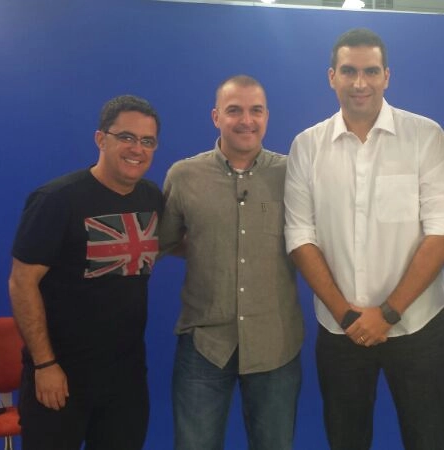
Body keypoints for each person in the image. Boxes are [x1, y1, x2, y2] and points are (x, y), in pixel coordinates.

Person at [284, 28, 444, 450]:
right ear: (332, 76)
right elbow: (299, 237)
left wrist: (389, 313)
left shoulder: (426, 137)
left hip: (418, 326)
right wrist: (348, 316)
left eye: (370, 71)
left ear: (387, 76)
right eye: (349, 71)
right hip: (339, 328)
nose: (359, 82)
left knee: (429, 440)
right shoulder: (306, 147)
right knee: (346, 440)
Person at [8, 95, 164, 450]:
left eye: (147, 141)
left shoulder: (152, 198)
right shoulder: (57, 200)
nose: (136, 149)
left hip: (125, 379)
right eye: (126, 137)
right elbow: (21, 282)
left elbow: (178, 244)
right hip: (60, 376)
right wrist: (44, 364)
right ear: (101, 139)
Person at [159, 75, 304, 450]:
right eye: (234, 110)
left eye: (255, 111)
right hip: (205, 343)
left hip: (275, 342)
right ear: (215, 116)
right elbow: (168, 241)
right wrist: (214, 249)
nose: (246, 121)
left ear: (267, 116)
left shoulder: (293, 174)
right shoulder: (184, 176)